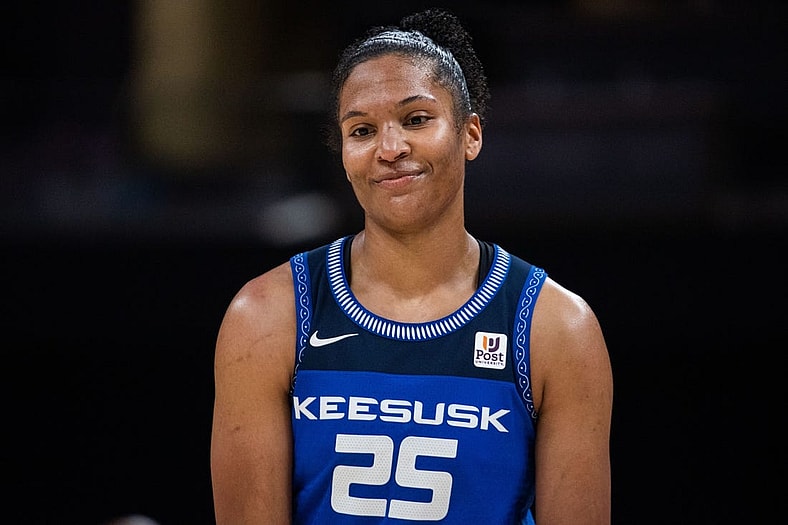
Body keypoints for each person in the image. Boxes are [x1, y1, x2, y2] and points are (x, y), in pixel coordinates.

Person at [210, 7, 613, 524]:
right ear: (343, 153)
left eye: (416, 119)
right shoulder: (266, 316)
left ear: (470, 134)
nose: (390, 148)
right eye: (361, 130)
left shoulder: (557, 328)